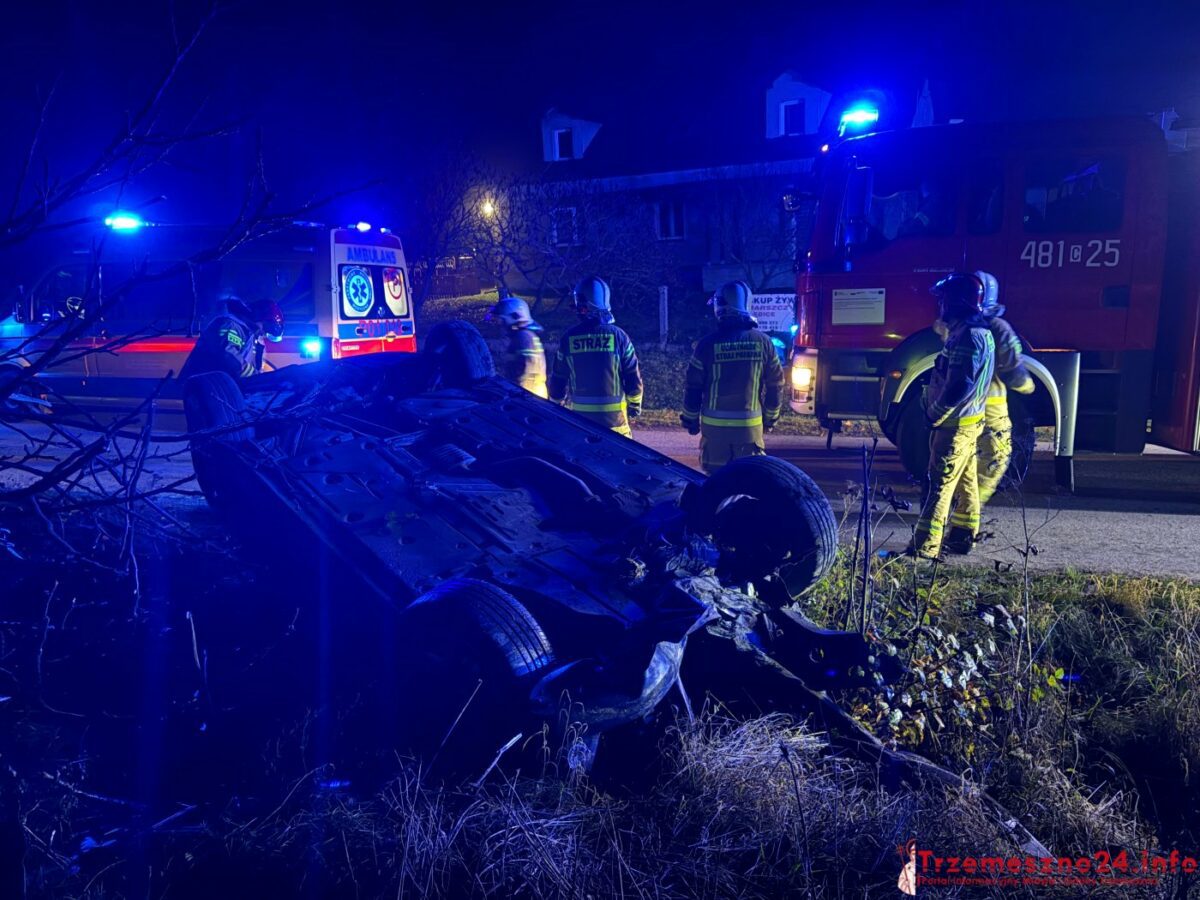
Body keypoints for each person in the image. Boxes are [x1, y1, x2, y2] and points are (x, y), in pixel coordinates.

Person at [944, 271, 1035, 552]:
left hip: (961, 412)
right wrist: (1029, 386)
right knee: (992, 464)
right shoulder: (998, 327)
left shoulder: (955, 327)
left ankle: (955, 518)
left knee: (964, 466)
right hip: (991, 412)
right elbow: (1014, 372)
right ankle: (964, 524)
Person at [909, 273, 995, 560]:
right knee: (966, 481)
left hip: (954, 426)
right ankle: (962, 535)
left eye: (944, 299)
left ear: (957, 302)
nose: (940, 305)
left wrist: (934, 413)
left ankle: (924, 549)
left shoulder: (968, 337)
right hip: (969, 423)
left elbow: (959, 384)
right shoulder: (977, 333)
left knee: (939, 485)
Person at [680, 280, 784, 473]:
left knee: (717, 486)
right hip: (749, 432)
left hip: (715, 435)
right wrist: (770, 419)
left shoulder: (706, 345)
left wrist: (690, 421)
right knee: (747, 485)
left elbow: (692, 388)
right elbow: (775, 385)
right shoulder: (764, 343)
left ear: (720, 306)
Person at [548, 276, 643, 437]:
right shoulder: (619, 337)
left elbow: (558, 380)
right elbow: (633, 378)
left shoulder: (568, 339)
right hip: (615, 426)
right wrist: (634, 406)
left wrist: (556, 406)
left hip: (581, 426)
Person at [179, 297, 284, 382]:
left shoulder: (251, 337)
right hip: (202, 390)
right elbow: (227, 355)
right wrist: (254, 377)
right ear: (258, 317)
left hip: (217, 392)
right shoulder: (231, 325)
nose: (263, 333)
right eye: (265, 327)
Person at [487, 295, 548, 398]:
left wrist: (516, 390)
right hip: (531, 392)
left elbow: (527, 366)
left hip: (529, 393)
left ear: (515, 316)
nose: (499, 324)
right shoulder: (523, 335)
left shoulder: (523, 336)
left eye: (501, 319)